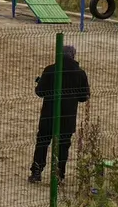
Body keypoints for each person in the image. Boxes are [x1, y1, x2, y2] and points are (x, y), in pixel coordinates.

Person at [29, 44, 90, 183]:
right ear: (73, 56)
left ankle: (36, 172)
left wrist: (40, 83)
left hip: (49, 114)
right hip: (68, 116)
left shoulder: (51, 70)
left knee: (43, 142)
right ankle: (59, 174)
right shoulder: (80, 73)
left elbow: (40, 92)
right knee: (63, 145)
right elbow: (83, 97)